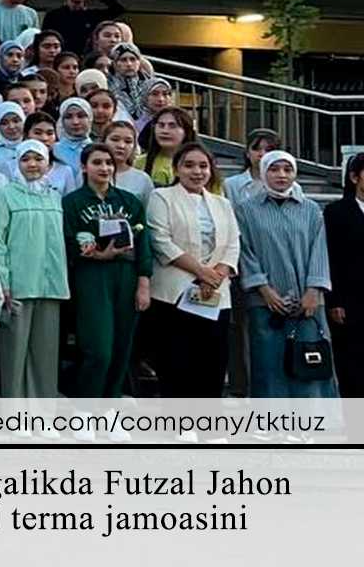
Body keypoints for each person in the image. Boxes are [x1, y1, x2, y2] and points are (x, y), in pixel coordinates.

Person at [235, 151, 338, 397]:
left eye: (287, 169)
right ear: (263, 172)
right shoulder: (246, 210)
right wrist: (264, 289)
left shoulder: (311, 209)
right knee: (268, 362)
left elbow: (319, 250)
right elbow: (244, 250)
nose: (281, 175)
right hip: (265, 301)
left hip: (308, 300)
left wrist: (314, 290)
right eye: (274, 169)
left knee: (309, 359)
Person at [144, 142, 240, 399]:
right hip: (175, 291)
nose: (196, 171)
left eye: (203, 166)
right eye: (189, 165)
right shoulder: (161, 197)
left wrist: (215, 275)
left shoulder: (222, 203)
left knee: (213, 362)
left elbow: (233, 244)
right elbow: (161, 241)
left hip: (216, 294)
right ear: (176, 169)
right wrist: (201, 272)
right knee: (176, 362)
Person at [63, 144, 152, 398]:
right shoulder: (72, 203)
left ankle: (110, 407)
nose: (104, 168)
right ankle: (85, 409)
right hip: (91, 276)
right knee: (98, 349)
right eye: (97, 162)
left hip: (126, 276)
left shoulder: (129, 201)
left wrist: (143, 282)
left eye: (109, 163)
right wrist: (97, 255)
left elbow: (144, 243)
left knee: (122, 348)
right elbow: (68, 242)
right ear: (83, 167)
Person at [0, 140, 69, 398]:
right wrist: (3, 282)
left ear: (48, 164)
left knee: (46, 353)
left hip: (51, 285)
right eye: (26, 159)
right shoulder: (5, 196)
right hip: (19, 286)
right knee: (14, 352)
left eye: (38, 159)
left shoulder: (55, 197)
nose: (32, 165)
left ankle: (43, 414)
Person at [324, 152, 364, 397]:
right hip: (349, 303)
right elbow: (331, 257)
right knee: (352, 367)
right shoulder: (336, 212)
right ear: (353, 177)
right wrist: (334, 300)